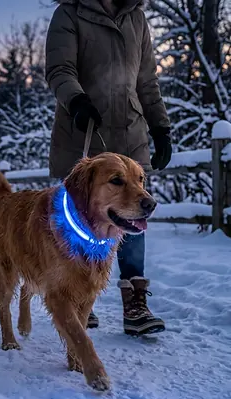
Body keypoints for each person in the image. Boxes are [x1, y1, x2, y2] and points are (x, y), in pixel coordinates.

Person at [45, 0, 172, 335]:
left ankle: (135, 304)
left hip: (130, 135)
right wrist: (76, 100)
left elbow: (146, 81)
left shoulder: (136, 18)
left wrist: (160, 128)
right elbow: (60, 69)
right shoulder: (69, 13)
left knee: (133, 218)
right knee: (77, 224)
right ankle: (76, 297)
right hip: (84, 131)